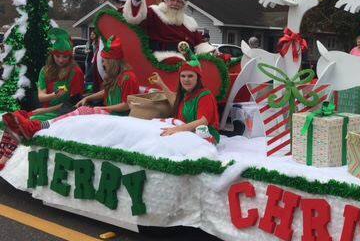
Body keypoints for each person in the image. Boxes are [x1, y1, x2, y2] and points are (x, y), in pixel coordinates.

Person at [5, 36, 140, 141]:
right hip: (67, 110)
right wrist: (89, 97)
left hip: (114, 117)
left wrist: (102, 108)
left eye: (104, 61)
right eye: (57, 56)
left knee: (75, 114)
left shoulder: (127, 77)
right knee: (23, 122)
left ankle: (35, 125)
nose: (102, 64)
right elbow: (108, 91)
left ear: (112, 61)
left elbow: (126, 104)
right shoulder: (117, 76)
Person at [0, 29, 84, 167]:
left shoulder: (76, 72)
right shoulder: (45, 70)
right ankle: (2, 154)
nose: (61, 60)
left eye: (65, 57)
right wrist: (53, 96)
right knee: (13, 119)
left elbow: (72, 105)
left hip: (63, 113)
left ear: (70, 57)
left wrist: (41, 111)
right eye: (58, 56)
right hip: (46, 110)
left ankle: (4, 160)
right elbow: (41, 97)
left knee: (25, 123)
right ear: (52, 55)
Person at [121, 0, 213, 58]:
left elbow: (200, 43)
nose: (175, 4)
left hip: (187, 63)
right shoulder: (154, 12)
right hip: (161, 60)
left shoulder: (189, 22)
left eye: (179, 2)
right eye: (172, 0)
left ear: (183, 5)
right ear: (165, 1)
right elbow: (136, 19)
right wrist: (136, 1)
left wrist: (211, 52)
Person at [149, 59, 220, 143]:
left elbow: (202, 121)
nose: (186, 79)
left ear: (198, 78)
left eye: (190, 76)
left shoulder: (205, 95)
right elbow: (174, 102)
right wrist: (161, 84)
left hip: (205, 135)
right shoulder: (185, 94)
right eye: (183, 76)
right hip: (186, 131)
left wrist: (176, 129)